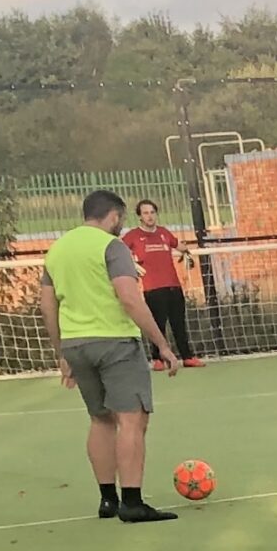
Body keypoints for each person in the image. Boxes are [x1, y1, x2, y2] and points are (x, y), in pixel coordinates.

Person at [38, 190, 183, 523]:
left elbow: (47, 305)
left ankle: (108, 500)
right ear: (114, 216)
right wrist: (162, 344)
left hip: (76, 345)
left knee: (100, 418)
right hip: (115, 342)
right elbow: (130, 298)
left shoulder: (58, 249)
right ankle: (132, 502)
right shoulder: (112, 247)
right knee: (132, 419)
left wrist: (62, 353)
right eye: (122, 219)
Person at [123, 199, 203, 369]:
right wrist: (132, 264)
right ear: (140, 216)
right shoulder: (133, 236)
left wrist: (187, 253)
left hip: (173, 286)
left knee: (179, 323)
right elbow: (119, 250)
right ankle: (158, 359)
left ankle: (187, 357)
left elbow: (178, 245)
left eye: (152, 212)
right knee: (157, 325)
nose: (149, 216)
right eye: (145, 213)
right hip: (153, 288)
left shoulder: (164, 233)